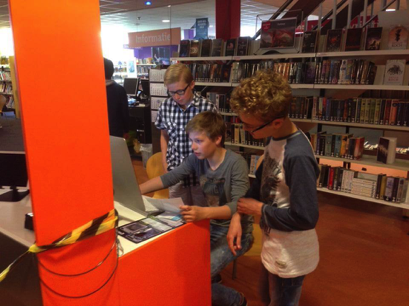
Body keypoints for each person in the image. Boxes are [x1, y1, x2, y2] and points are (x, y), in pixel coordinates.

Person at [227, 71, 320, 306]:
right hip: (275, 243)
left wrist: (259, 209)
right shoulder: (274, 139)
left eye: (250, 126)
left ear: (276, 122)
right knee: (266, 295)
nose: (246, 130)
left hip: (292, 252)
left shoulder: (297, 156)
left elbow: (306, 217)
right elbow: (260, 182)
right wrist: (238, 215)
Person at [141, 111, 253, 306]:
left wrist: (203, 213)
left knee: (193, 277)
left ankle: (235, 300)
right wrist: (137, 190)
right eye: (191, 140)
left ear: (217, 139)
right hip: (211, 225)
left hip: (238, 233)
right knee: (179, 266)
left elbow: (239, 204)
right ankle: (212, 280)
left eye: (198, 141)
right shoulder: (196, 159)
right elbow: (170, 177)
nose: (193, 146)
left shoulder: (236, 164)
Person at [155, 63, 217, 207]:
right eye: (171, 92)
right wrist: (165, 162)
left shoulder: (207, 108)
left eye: (180, 91)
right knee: (178, 215)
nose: (176, 96)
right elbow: (164, 135)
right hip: (176, 172)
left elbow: (216, 142)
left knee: (202, 215)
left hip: (202, 174)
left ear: (192, 84)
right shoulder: (165, 106)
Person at [103, 58, 129, 138]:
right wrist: (126, 130)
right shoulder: (119, 89)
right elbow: (124, 112)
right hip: (116, 131)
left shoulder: (93, 90)